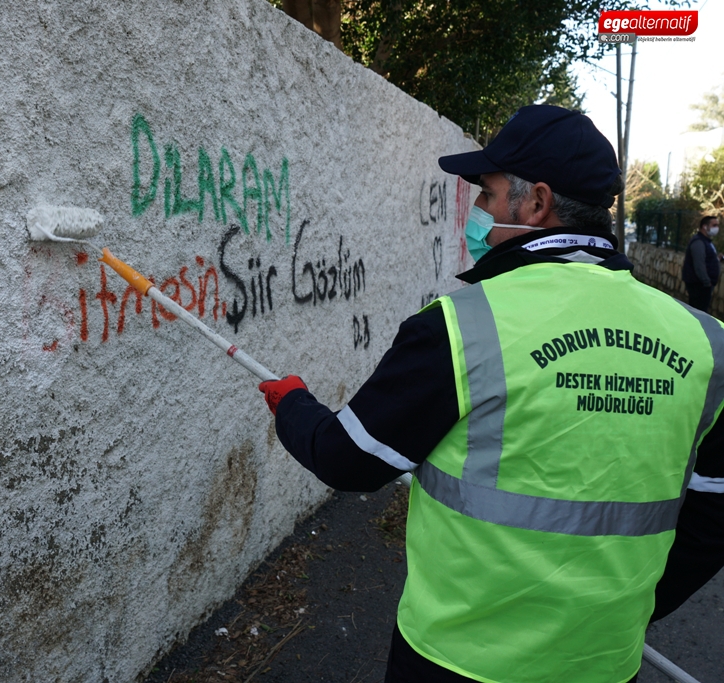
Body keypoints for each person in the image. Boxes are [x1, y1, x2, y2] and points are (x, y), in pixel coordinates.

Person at [257, 105, 724, 683]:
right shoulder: (708, 344)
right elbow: (714, 516)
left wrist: (293, 405)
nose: (475, 212)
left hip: (456, 660)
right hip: (603, 663)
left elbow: (346, 459)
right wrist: (635, 612)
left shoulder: (461, 327)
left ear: (536, 203)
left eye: (486, 194)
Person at [681, 215, 721, 312]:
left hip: (703, 285)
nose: (716, 228)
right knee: (698, 312)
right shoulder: (698, 242)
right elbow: (699, 265)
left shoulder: (706, 241)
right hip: (699, 286)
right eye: (714, 225)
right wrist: (707, 282)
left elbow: (706, 259)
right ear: (704, 226)